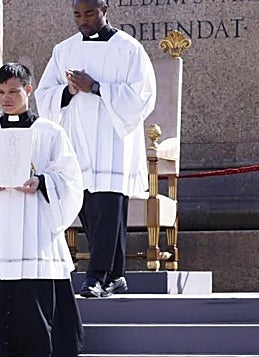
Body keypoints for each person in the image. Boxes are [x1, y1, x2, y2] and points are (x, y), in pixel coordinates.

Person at [0, 63, 86, 357]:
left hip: (35, 222)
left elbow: (69, 176)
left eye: (13, 91)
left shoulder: (50, 132)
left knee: (33, 288)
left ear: (28, 91)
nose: (6, 98)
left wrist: (42, 182)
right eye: (1, 92)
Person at [35, 0, 156, 298]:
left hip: (113, 143)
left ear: (105, 10)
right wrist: (69, 90)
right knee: (90, 210)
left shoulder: (128, 49)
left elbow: (142, 95)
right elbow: (44, 94)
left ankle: (95, 277)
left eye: (89, 13)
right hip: (78, 141)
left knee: (108, 209)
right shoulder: (64, 50)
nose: (83, 20)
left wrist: (97, 87)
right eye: (77, 14)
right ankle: (115, 275)